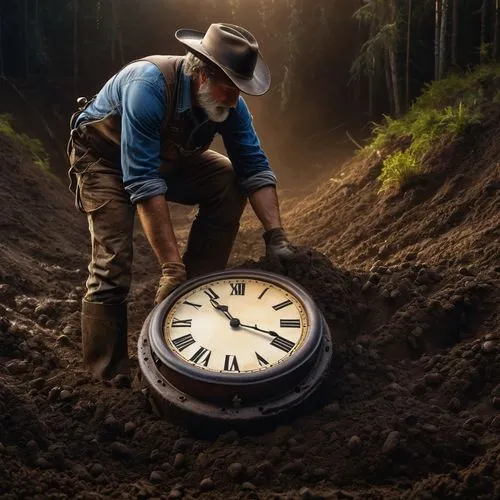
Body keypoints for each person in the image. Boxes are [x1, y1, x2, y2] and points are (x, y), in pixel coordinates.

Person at [67, 22, 295, 382]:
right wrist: (170, 267)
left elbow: (253, 165)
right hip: (105, 161)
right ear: (202, 74)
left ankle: (196, 294)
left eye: (240, 92)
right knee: (113, 261)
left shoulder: (230, 103)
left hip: (167, 157)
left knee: (228, 179)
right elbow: (143, 182)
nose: (234, 101)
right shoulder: (148, 86)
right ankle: (106, 375)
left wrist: (276, 236)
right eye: (228, 90)